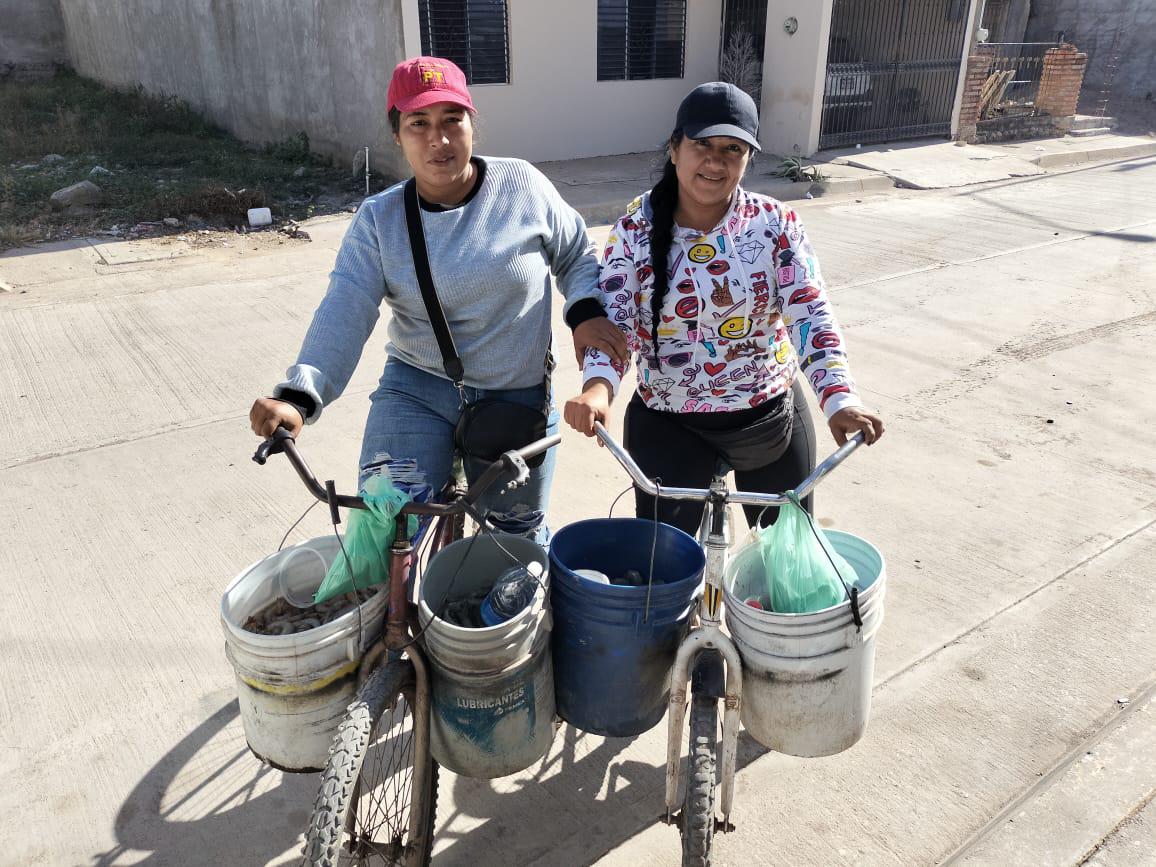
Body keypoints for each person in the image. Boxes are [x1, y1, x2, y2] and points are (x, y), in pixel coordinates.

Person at [250, 56, 626, 541]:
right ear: (397, 134)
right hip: (417, 389)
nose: (439, 139)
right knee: (384, 530)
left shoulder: (523, 186)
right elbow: (345, 307)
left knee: (512, 548)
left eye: (452, 119)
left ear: (472, 123)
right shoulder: (379, 220)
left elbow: (576, 254)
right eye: (418, 123)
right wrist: (299, 397)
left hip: (515, 393)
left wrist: (586, 311)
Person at [564, 82, 884, 535]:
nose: (715, 162)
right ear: (674, 149)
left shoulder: (775, 223)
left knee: (786, 562)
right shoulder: (634, 230)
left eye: (732, 149)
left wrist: (839, 398)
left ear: (748, 158)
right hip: (667, 422)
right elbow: (615, 324)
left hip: (768, 418)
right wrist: (597, 390)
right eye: (702, 145)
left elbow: (809, 313)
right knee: (664, 566)